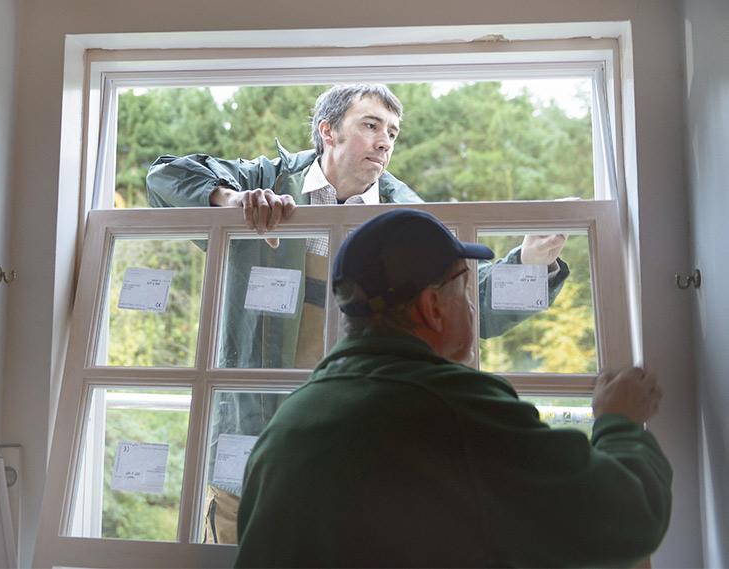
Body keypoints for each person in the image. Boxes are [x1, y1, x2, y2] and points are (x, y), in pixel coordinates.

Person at [146, 84, 570, 542]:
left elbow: (470, 307)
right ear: (328, 132)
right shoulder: (265, 183)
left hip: (358, 455)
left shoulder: (406, 215)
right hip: (249, 453)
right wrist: (230, 203)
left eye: (392, 131)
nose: (385, 140)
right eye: (370, 125)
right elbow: (163, 177)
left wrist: (531, 265)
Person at [234, 208, 672, 568]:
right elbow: (628, 518)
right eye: (466, 287)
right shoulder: (453, 409)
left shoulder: (290, 419)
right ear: (433, 309)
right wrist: (620, 422)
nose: (470, 303)